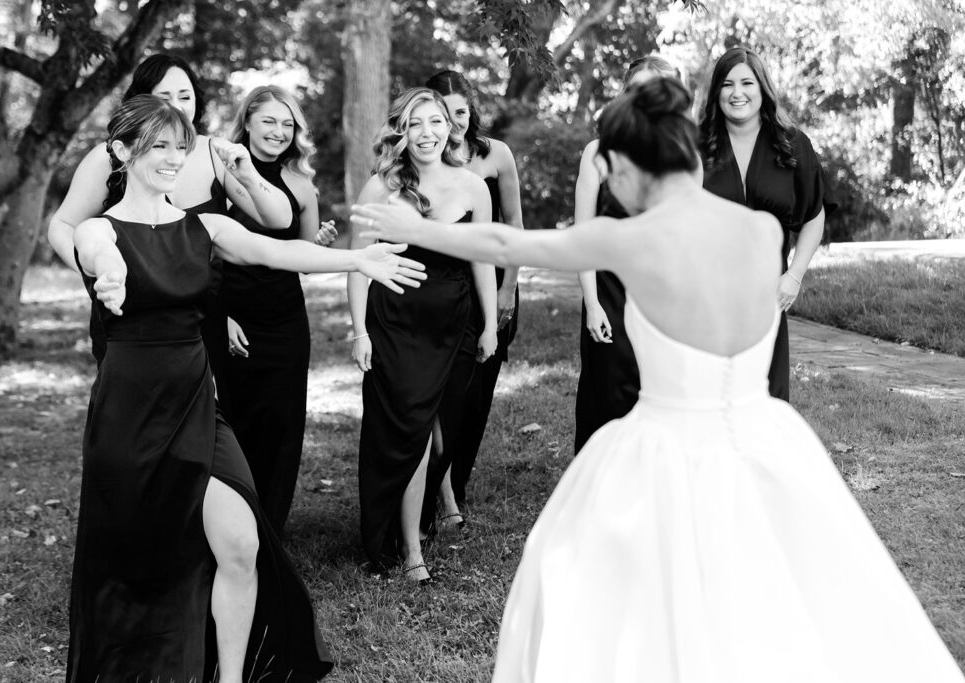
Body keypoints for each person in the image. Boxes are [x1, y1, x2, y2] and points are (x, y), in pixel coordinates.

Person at [351, 78, 965, 682]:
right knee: (780, 600)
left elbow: (506, 239)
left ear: (622, 165)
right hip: (768, 437)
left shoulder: (632, 239)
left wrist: (421, 230)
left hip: (668, 450)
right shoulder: (762, 230)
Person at [68, 94, 424, 682]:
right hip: (128, 412)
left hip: (197, 404)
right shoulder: (97, 229)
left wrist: (358, 261)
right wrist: (109, 273)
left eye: (180, 149)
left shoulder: (205, 225)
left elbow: (277, 250)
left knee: (240, 543)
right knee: (134, 558)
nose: (172, 160)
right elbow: (98, 251)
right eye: (157, 147)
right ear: (121, 151)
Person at [48, 53, 293, 384]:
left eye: (185, 96)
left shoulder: (214, 153)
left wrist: (248, 175)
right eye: (164, 97)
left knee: (204, 419)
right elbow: (62, 226)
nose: (177, 106)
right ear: (142, 101)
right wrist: (98, 272)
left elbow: (279, 219)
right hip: (130, 317)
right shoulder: (110, 157)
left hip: (202, 316)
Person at [348, 87, 497, 585]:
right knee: (409, 433)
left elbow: (482, 258)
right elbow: (357, 267)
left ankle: (419, 514)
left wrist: (491, 323)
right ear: (402, 132)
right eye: (415, 124)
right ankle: (411, 549)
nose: (427, 133)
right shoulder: (381, 188)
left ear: (450, 128)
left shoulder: (473, 187)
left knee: (442, 435)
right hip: (396, 325)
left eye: (435, 122)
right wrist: (359, 331)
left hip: (454, 325)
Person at [219, 85, 337, 534]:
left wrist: (317, 246)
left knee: (281, 430)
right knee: (234, 427)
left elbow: (301, 258)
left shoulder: (303, 186)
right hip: (230, 314)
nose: (279, 131)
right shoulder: (218, 173)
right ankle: (230, 528)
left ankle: (270, 531)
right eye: (269, 120)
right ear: (247, 120)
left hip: (284, 320)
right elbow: (201, 251)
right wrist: (220, 315)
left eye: (288, 124)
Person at [700, 46, 832, 402]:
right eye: (727, 84)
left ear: (763, 88)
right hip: (706, 298)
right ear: (716, 92)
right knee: (709, 400)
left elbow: (814, 215)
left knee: (765, 401)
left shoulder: (792, 145)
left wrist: (794, 276)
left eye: (747, 82)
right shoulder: (695, 147)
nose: (737, 93)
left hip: (767, 298)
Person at [424, 70, 524, 520]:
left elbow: (514, 228)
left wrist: (507, 290)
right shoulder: (425, 162)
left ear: (471, 111)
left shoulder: (496, 155)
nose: (454, 122)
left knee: (475, 399)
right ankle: (441, 497)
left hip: (494, 287)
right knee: (442, 398)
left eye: (460, 111)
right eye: (443, 113)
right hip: (445, 289)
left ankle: (455, 486)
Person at [572, 54, 681, 454]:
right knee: (608, 400)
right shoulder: (597, 153)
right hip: (608, 295)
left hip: (658, 297)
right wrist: (592, 303)